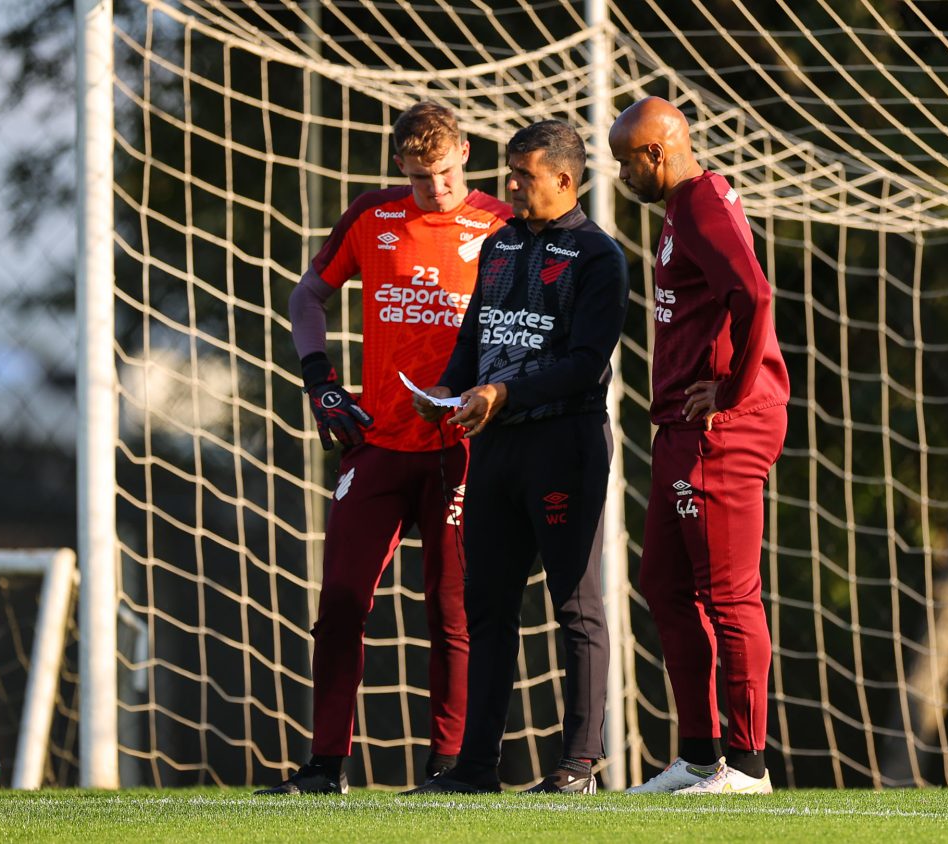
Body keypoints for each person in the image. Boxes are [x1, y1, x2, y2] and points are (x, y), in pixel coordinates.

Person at [256, 102, 512, 795]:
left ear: (465, 150)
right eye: (423, 176)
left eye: (447, 171)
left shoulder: (500, 223)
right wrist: (323, 385)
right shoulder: (373, 215)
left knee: (451, 607)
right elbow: (309, 294)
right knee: (340, 597)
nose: (437, 189)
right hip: (378, 443)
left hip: (461, 446)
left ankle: (448, 767)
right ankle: (325, 766)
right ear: (401, 165)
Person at [405, 119, 629, 795]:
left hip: (564, 444)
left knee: (576, 607)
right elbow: (478, 330)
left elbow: (588, 365)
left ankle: (578, 766)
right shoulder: (500, 241)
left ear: (564, 179)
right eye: (509, 172)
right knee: (487, 604)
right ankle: (476, 769)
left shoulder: (599, 256)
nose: (510, 186)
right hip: (495, 446)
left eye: (523, 175)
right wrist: (449, 385)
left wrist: (504, 391)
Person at [608, 96, 790, 795]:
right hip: (682, 427)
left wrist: (734, 392)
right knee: (663, 581)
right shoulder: (682, 209)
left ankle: (747, 765)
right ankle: (699, 754)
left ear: (657, 152)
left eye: (628, 160)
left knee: (730, 593)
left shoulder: (704, 202)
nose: (622, 173)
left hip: (721, 428)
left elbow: (756, 296)